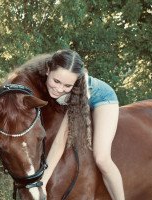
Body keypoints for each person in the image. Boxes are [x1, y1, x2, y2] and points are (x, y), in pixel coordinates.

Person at [39, 49, 125, 200]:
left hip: (102, 98)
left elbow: (61, 140)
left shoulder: (77, 92)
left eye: (67, 85)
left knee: (102, 158)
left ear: (75, 82)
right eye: (56, 81)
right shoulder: (37, 75)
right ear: (47, 70)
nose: (59, 89)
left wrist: (42, 182)